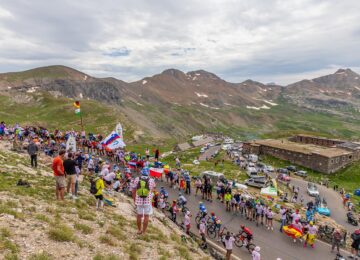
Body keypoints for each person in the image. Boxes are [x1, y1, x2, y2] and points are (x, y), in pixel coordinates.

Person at [132, 169, 156, 235]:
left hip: (138, 201)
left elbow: (133, 191)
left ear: (141, 172)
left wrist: (134, 200)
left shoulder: (137, 179)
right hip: (147, 201)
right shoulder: (151, 180)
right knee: (146, 216)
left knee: (139, 216)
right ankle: (144, 232)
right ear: (148, 173)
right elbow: (153, 190)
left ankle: (139, 230)